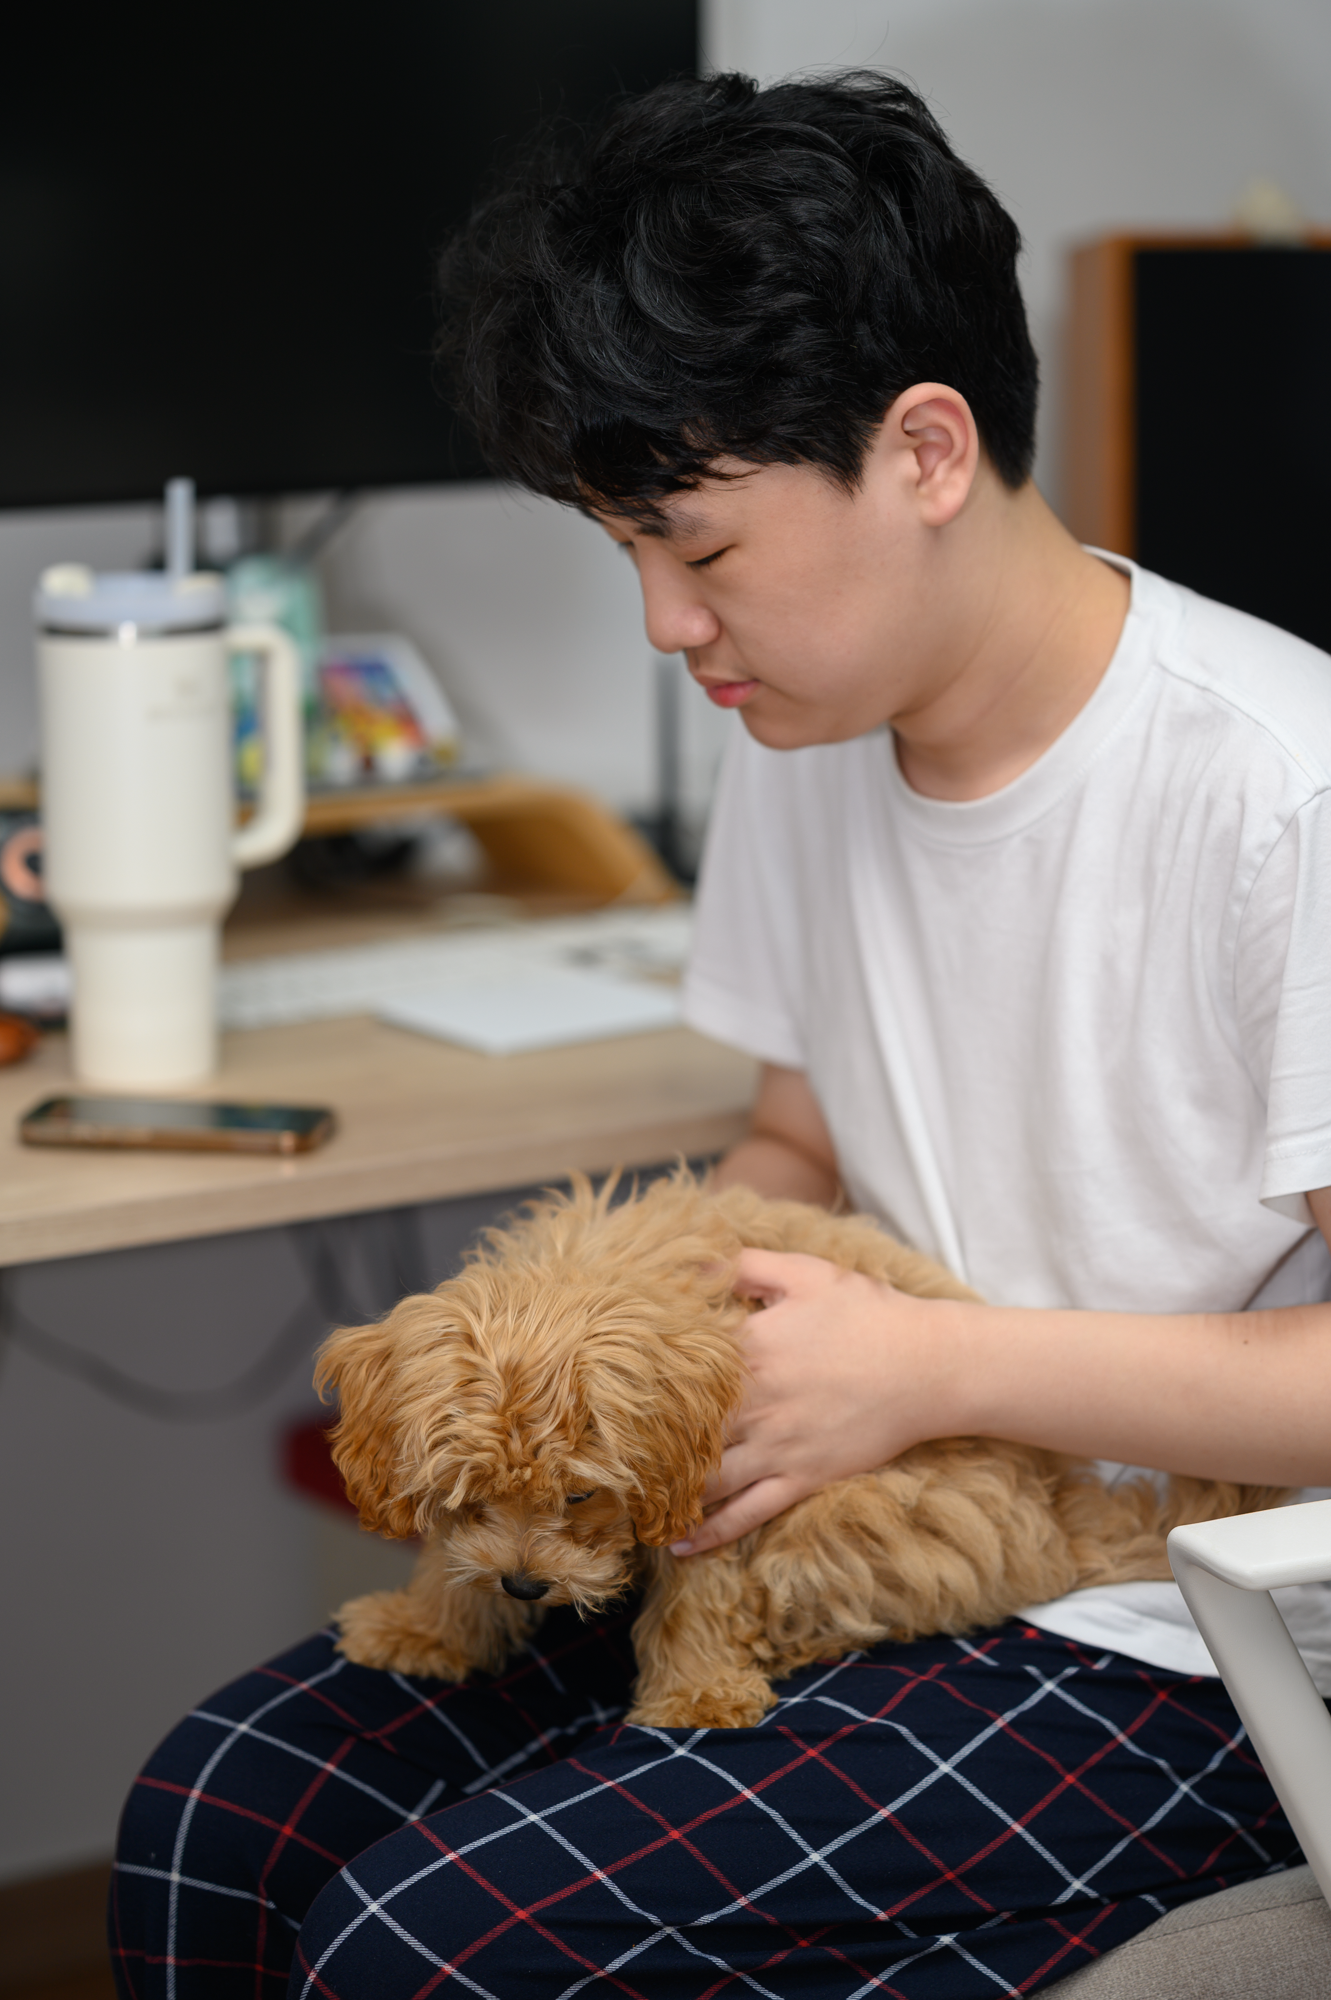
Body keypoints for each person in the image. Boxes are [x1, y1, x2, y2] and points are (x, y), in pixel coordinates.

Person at [110, 71, 1331, 1999]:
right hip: (820, 1501)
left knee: (429, 1945)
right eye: (627, 558)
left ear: (923, 451)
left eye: (699, 549)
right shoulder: (804, 728)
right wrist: (589, 1354)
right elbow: (790, 1152)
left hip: (1154, 1614)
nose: (666, 627)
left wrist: (926, 1368)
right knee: (217, 1813)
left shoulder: (1278, 790)